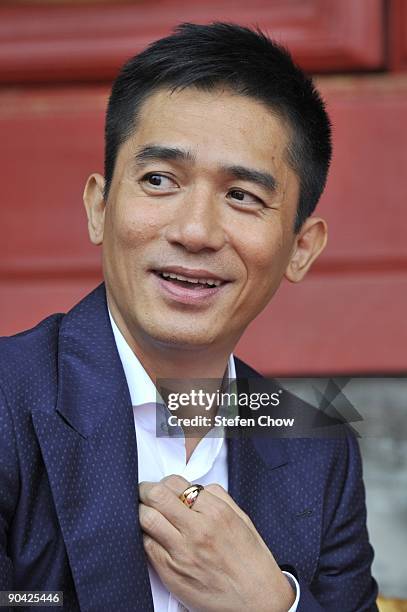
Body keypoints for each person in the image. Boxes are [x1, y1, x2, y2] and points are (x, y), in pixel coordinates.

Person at [0, 22, 378, 612]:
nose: (195, 231)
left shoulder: (318, 447)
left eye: (242, 196)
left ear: (301, 248)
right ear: (100, 207)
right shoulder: (8, 397)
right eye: (159, 180)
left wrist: (271, 605)